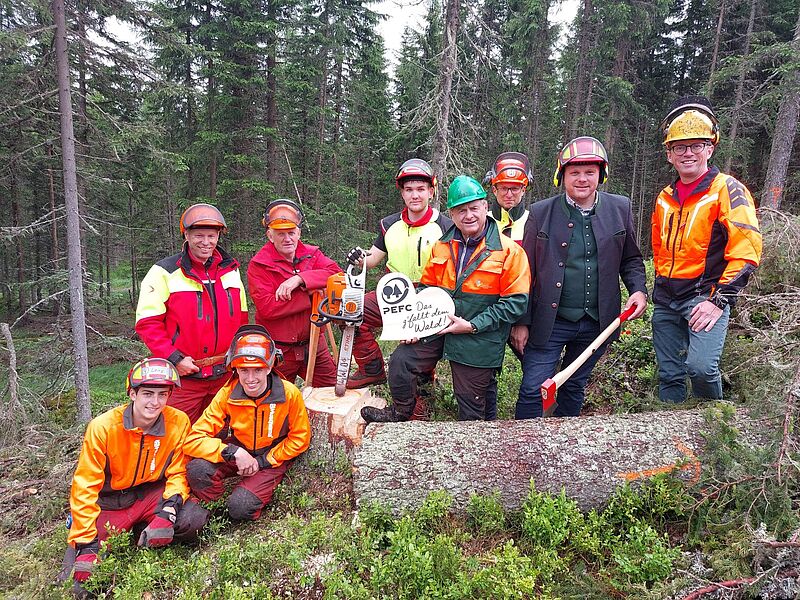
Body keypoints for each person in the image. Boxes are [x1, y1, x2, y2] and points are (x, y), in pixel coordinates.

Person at [361, 175, 531, 423]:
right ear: (451, 214)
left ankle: (481, 444)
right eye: (461, 210)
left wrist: (473, 325)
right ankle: (401, 412)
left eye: (474, 208)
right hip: (439, 325)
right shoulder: (441, 246)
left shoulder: (509, 251)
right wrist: (413, 323)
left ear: (485, 206)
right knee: (401, 361)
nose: (468, 215)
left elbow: (515, 303)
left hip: (478, 335)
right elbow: (428, 288)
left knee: (471, 403)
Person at [513, 136, 648, 419]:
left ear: (601, 174)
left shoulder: (620, 208)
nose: (583, 179)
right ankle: (523, 449)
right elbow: (524, 272)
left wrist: (638, 289)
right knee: (531, 389)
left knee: (574, 386)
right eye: (574, 172)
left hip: (597, 322)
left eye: (590, 172)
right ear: (562, 176)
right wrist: (521, 322)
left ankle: (567, 447)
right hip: (549, 321)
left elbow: (631, 259)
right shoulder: (540, 213)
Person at [62, 358, 209, 594]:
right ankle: (103, 538)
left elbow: (178, 471)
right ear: (132, 394)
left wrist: (169, 509)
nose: (155, 402)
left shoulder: (178, 422)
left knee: (193, 519)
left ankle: (145, 528)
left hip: (150, 497)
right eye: (148, 394)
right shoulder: (103, 428)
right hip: (109, 504)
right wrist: (87, 543)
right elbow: (84, 486)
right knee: (80, 585)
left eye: (162, 394)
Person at [651, 96, 762, 402]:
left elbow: (747, 249)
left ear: (710, 148)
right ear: (670, 154)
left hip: (705, 296)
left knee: (701, 367)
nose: (688, 153)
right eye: (679, 147)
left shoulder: (727, 189)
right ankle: (667, 427)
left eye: (696, 145)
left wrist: (718, 300)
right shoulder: (665, 197)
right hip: (666, 299)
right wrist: (658, 287)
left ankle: (711, 423)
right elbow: (659, 248)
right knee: (670, 373)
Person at [345, 159, 452, 392]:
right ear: (402, 193)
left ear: (431, 192)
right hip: (393, 294)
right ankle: (370, 369)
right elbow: (373, 258)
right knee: (349, 311)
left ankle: (422, 395)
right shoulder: (389, 224)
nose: (415, 195)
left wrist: (415, 321)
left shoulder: (446, 227)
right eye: (409, 189)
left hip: (429, 298)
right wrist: (359, 257)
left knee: (412, 362)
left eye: (421, 189)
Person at [135, 203, 248, 423]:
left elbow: (241, 320)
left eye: (211, 236)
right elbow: (148, 324)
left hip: (224, 376)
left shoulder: (231, 270)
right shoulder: (165, 272)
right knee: (176, 436)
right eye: (199, 235)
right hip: (185, 378)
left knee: (223, 437)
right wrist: (174, 358)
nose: (206, 242)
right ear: (186, 235)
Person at [184, 325, 310, 521]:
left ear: (269, 367)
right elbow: (193, 439)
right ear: (235, 368)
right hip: (240, 447)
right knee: (197, 470)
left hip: (272, 454)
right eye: (244, 370)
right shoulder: (228, 393)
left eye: (257, 370)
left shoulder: (289, 393)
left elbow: (300, 439)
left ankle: (242, 499)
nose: (250, 379)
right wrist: (233, 452)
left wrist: (262, 461)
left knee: (241, 507)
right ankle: (214, 510)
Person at [248, 199, 341, 386]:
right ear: (270, 235)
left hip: (315, 344)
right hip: (279, 350)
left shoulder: (312, 254)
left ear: (299, 232)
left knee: (333, 393)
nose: (287, 239)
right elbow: (268, 308)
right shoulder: (259, 265)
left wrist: (300, 279)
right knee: (275, 400)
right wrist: (312, 294)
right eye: (280, 234)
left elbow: (337, 274)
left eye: (291, 232)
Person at [485, 151, 532, 242]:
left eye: (514, 189)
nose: (509, 195)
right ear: (494, 190)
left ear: (523, 190)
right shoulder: (484, 222)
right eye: (504, 188)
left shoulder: (532, 222)